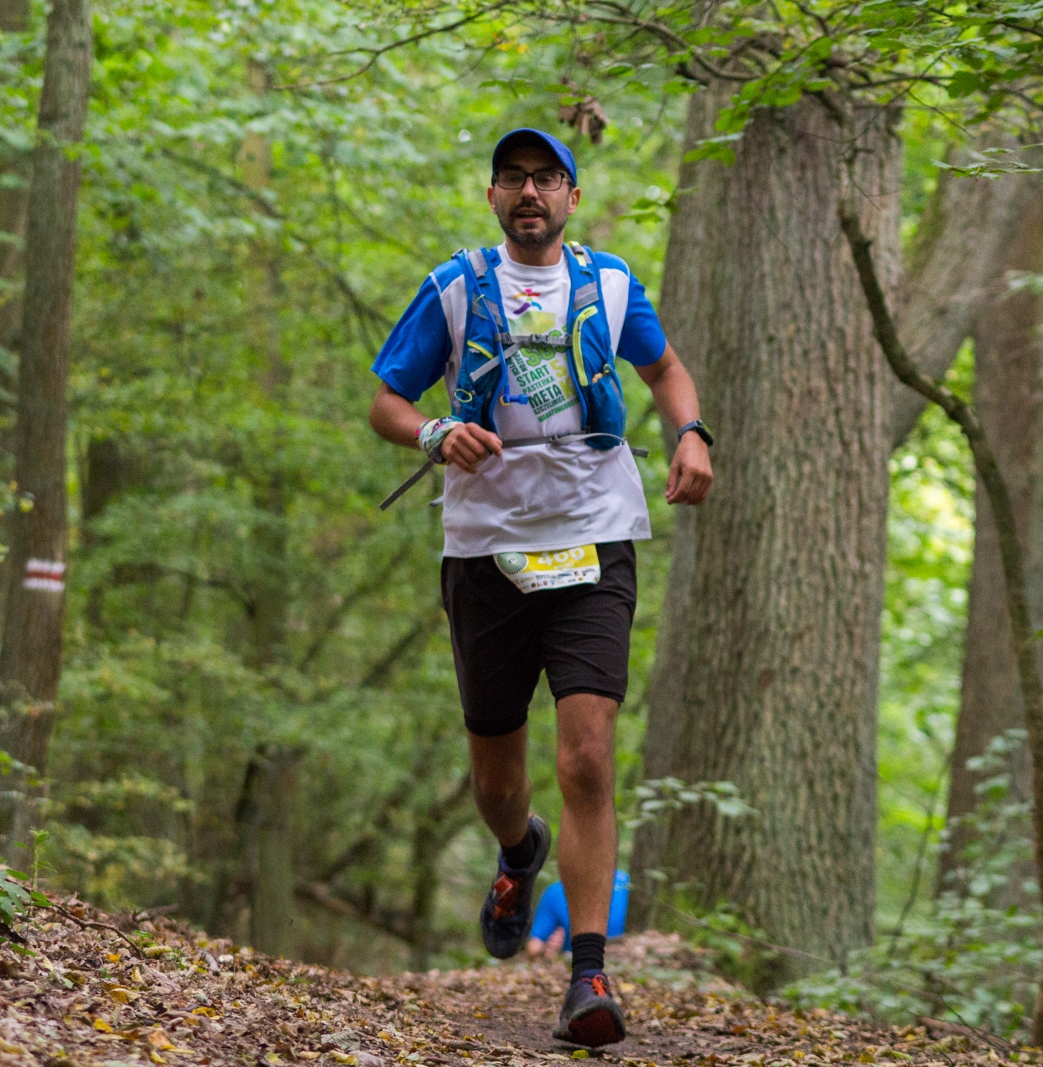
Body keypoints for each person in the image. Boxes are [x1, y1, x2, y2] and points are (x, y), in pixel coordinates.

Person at [368, 127, 712, 1047]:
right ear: (493, 196)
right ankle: (520, 849)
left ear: (571, 196)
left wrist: (691, 432)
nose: (530, 192)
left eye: (547, 178)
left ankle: (588, 974)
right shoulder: (455, 288)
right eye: (514, 178)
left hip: (597, 533)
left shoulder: (610, 283)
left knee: (588, 755)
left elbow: (665, 368)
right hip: (487, 546)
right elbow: (386, 401)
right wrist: (434, 431)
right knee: (498, 777)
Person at [528, 870, 630, 959]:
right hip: (574, 961)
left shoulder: (626, 884)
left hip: (624, 958)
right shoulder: (556, 892)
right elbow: (535, 945)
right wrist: (549, 949)